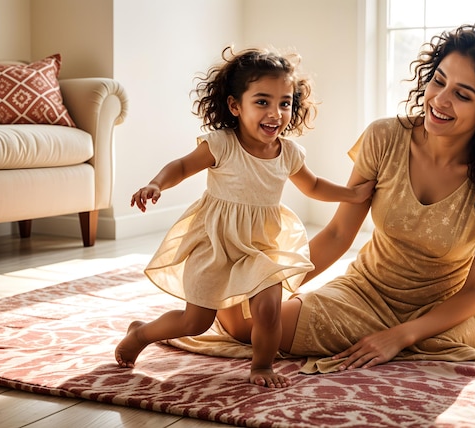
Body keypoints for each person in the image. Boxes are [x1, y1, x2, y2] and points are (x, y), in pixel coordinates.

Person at [214, 20, 475, 373]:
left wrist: (399, 337)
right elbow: (337, 234)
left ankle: (404, 343)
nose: (439, 100)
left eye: (462, 94)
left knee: (426, 347)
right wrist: (271, 286)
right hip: (366, 293)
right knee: (240, 321)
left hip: (450, 311)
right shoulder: (384, 138)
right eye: (438, 82)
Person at [114, 46, 376, 387]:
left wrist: (350, 193)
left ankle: (262, 366)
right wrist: (156, 184)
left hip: (260, 247)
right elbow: (181, 166)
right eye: (262, 101)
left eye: (285, 103)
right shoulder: (222, 144)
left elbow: (312, 185)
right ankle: (141, 333)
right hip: (217, 244)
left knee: (268, 309)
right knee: (195, 322)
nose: (276, 112)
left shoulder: (289, 152)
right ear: (235, 106)